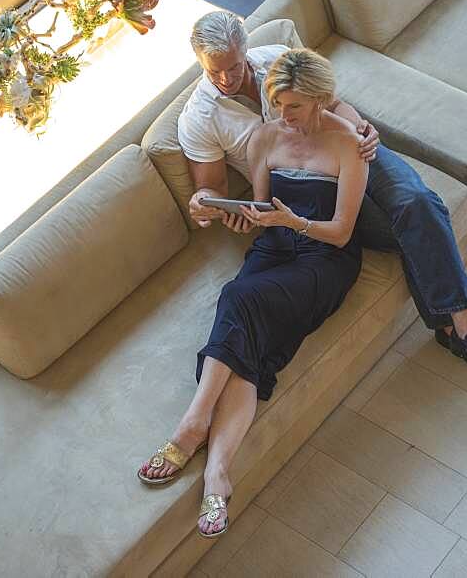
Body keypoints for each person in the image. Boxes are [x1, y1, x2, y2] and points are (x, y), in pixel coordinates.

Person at [179, 11, 467, 378]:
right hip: (309, 193)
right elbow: (210, 188)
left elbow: (333, 104)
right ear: (201, 64)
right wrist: (207, 204)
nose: (226, 79)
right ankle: (456, 332)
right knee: (421, 221)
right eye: (215, 72)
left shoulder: (277, 58)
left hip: (349, 148)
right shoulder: (200, 117)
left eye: (234, 66)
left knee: (418, 203)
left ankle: (464, 327)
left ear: (245, 51)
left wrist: (360, 127)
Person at [138, 49, 368, 539]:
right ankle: (218, 475)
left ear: (322, 99)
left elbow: (343, 232)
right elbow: (262, 211)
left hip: (323, 259)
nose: (284, 116)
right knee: (250, 346)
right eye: (278, 104)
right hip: (274, 249)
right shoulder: (265, 138)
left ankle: (192, 424)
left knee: (237, 299)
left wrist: (292, 220)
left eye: (296, 106)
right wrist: (243, 215)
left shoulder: (349, 145)